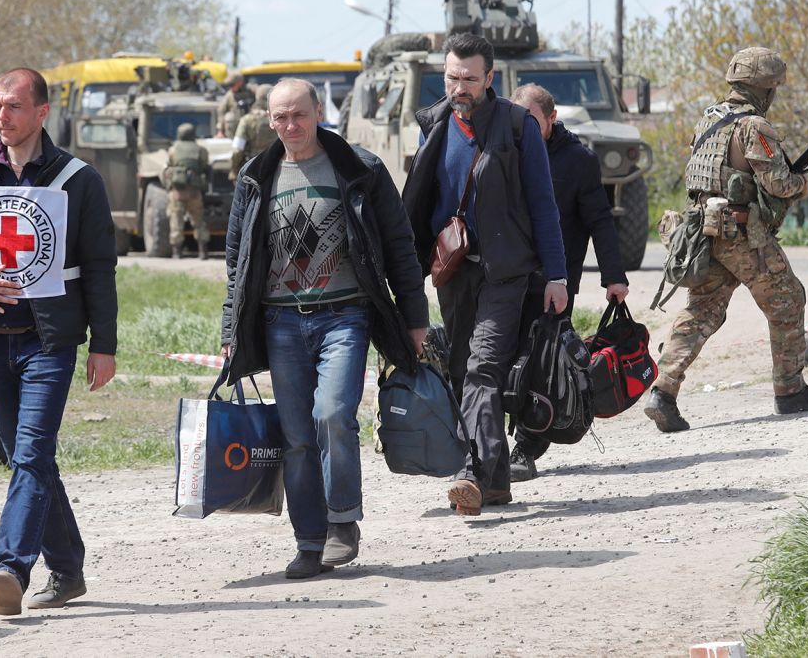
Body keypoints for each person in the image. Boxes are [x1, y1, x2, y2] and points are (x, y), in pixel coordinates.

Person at [220, 78, 428, 579]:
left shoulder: (359, 169)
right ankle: (309, 542)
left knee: (333, 415)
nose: (290, 126)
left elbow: (399, 246)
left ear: (319, 113)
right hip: (281, 321)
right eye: (280, 118)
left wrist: (415, 315)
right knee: (295, 436)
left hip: (346, 315)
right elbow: (237, 261)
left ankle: (342, 523)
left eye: (299, 115)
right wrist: (231, 329)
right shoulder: (255, 177)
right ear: (270, 121)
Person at [0, 67, 118, 615]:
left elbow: (99, 268)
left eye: (14, 106)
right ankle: (67, 571)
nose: (2, 116)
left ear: (42, 112)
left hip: (51, 341)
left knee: (32, 454)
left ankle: (11, 567)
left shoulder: (77, 179)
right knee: (27, 458)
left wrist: (104, 345)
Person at [402, 33, 568, 516]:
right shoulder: (432, 124)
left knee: (483, 367)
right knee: (460, 370)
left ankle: (471, 470)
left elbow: (544, 205)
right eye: (452, 77)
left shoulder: (517, 127)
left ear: (490, 78)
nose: (460, 87)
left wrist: (556, 275)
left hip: (506, 272)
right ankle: (495, 484)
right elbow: (420, 202)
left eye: (470, 79)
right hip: (453, 271)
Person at [644, 46, 808, 432]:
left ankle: (662, 391)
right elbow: (778, 182)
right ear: (764, 89)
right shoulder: (754, 126)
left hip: (704, 231)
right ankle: (790, 390)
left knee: (702, 310)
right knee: (787, 299)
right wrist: (801, 183)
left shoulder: (709, 119)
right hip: (741, 235)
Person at [508, 83, 629, 482]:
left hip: (554, 284)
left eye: (532, 121)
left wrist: (613, 276)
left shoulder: (578, 161)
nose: (523, 129)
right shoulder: (502, 151)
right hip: (505, 279)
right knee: (500, 362)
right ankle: (485, 445)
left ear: (551, 119)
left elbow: (600, 221)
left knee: (542, 365)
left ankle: (526, 447)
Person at [165, 122, 210, 260]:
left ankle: (177, 253)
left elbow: (168, 168)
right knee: (199, 221)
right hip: (194, 191)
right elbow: (205, 167)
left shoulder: (173, 149)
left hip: (177, 191)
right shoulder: (200, 150)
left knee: (176, 221)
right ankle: (202, 252)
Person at [230, 84, 278, 181]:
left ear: (257, 96)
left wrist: (234, 170)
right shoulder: (280, 119)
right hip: (278, 166)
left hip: (254, 168)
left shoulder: (247, 120)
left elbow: (237, 150)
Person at [217, 70, 255, 138]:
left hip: (251, 128)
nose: (230, 87)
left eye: (232, 85)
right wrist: (220, 130)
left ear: (239, 82)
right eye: (229, 85)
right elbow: (221, 111)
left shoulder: (251, 91)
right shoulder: (229, 95)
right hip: (235, 130)